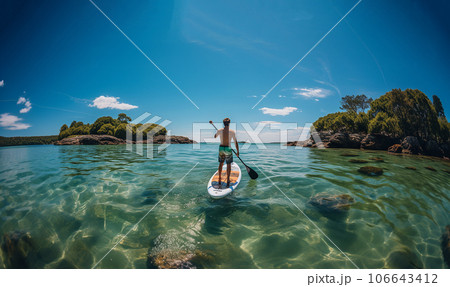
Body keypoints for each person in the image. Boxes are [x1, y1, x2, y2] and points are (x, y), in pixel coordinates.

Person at [214, 118, 239, 187]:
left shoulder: (219, 130)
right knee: (228, 164)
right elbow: (235, 142)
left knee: (221, 163)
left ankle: (219, 179)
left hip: (221, 148)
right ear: (229, 123)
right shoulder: (232, 132)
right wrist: (237, 152)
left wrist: (216, 132)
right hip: (228, 148)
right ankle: (228, 180)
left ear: (223, 123)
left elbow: (215, 137)